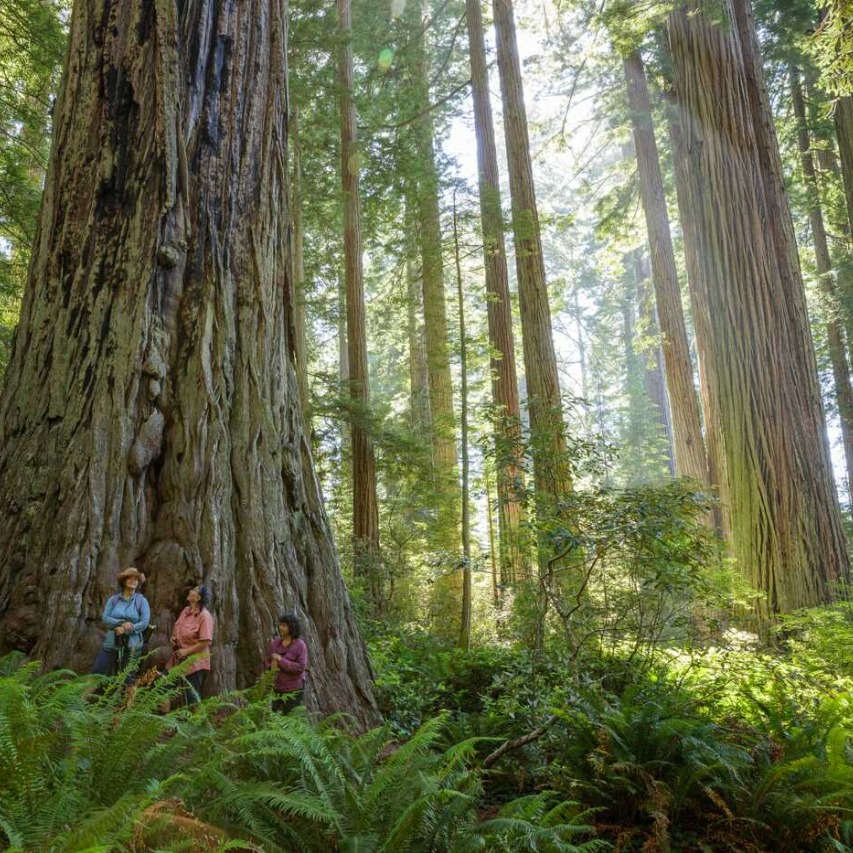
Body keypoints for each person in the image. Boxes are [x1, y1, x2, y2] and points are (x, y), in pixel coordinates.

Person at [92, 567, 150, 679]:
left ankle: (125, 696)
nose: (133, 580)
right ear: (124, 581)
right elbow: (105, 617)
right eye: (130, 578)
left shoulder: (141, 601)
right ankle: (96, 695)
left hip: (133, 645)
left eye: (136, 579)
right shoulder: (114, 600)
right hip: (111, 643)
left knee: (127, 678)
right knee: (98, 672)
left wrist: (127, 628)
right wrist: (121, 623)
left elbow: (144, 622)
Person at [165, 585, 214, 706]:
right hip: (177, 660)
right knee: (163, 686)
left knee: (191, 698)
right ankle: (163, 720)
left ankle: (195, 723)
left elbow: (206, 641)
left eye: (194, 590)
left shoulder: (205, 616)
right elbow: (178, 630)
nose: (190, 590)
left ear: (197, 597)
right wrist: (173, 639)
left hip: (195, 663)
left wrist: (187, 651)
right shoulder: (185, 611)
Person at [265, 612, 308, 713]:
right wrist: (270, 666)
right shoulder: (275, 644)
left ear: (291, 627)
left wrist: (281, 660)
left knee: (289, 719)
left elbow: (300, 667)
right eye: (280, 625)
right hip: (276, 688)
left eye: (284, 625)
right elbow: (267, 662)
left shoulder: (300, 646)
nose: (280, 628)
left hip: (293, 689)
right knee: (271, 717)